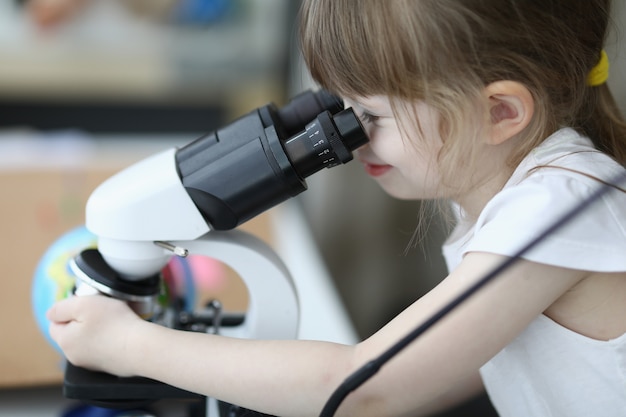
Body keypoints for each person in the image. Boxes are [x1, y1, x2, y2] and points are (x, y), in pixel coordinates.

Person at [47, 1, 626, 416]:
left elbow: (365, 388)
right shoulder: (516, 190)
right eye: (337, 107)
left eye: (369, 115)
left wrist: (129, 347)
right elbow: (475, 363)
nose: (347, 138)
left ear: (500, 113)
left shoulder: (558, 206)